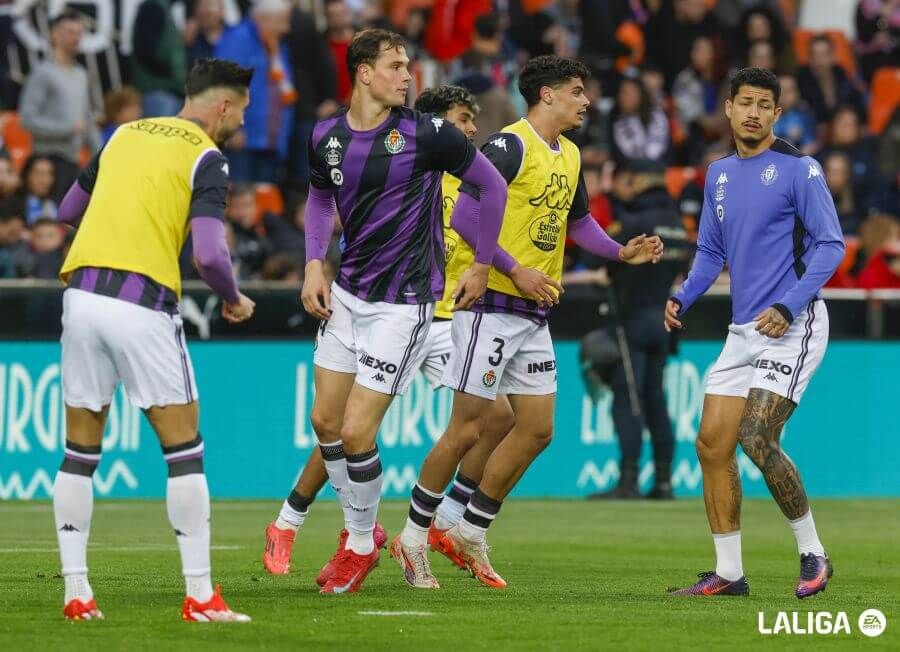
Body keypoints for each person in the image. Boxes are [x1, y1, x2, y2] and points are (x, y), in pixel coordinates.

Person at [396, 55, 663, 590]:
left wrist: (618, 252)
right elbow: (465, 217)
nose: (586, 101)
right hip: (492, 306)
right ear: (546, 95)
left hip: (532, 313)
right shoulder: (508, 146)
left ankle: (469, 528)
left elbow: (578, 222)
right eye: (576, 90)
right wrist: (515, 270)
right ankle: (412, 537)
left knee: (537, 430)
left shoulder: (571, 155)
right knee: (467, 428)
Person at [284, 29, 508, 596]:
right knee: (325, 425)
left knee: (358, 430)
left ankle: (360, 545)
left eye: (408, 66)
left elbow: (491, 184)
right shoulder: (325, 137)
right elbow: (318, 195)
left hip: (403, 303)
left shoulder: (427, 133)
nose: (408, 76)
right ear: (364, 73)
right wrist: (314, 262)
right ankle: (363, 538)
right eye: (396, 66)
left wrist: (482, 263)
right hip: (349, 295)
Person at [52, 58, 256, 622]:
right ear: (222, 105)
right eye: (241, 110)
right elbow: (210, 254)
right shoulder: (206, 156)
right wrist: (234, 298)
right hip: (141, 304)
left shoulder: (123, 134)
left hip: (82, 295)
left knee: (79, 452)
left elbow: (70, 208)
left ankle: (77, 593)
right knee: (184, 449)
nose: (242, 121)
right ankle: (200, 596)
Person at [666, 68, 845, 598]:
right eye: (745, 102)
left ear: (776, 113)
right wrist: (683, 293)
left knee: (756, 436)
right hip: (742, 330)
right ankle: (728, 573)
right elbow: (711, 251)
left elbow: (831, 246)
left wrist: (789, 307)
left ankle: (814, 553)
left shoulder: (799, 170)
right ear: (727, 108)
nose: (753, 113)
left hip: (793, 324)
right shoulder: (718, 173)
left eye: (765, 105)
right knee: (712, 446)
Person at [588, 159, 694, 500]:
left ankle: (628, 480)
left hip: (631, 321)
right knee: (655, 401)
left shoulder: (633, 223)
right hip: (663, 322)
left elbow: (599, 258)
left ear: (639, 183)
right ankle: (664, 481)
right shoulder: (678, 225)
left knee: (628, 399)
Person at [18, 10, 100, 202]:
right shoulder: (43, 73)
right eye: (70, 32)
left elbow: (86, 119)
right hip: (47, 161)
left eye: (79, 33)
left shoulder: (81, 74)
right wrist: (67, 129)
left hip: (73, 161)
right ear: (54, 34)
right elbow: (27, 120)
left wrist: (100, 155)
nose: (76, 38)